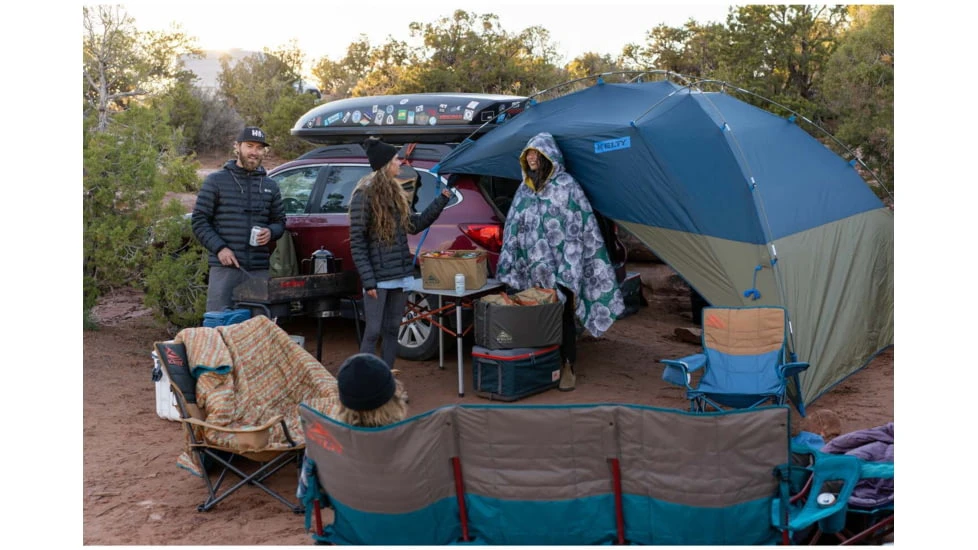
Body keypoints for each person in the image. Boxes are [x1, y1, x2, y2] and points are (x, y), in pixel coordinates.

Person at [496, 132, 625, 391]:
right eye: (528, 153)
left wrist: (571, 265)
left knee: (562, 316)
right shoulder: (524, 190)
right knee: (535, 317)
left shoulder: (567, 187)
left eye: (536, 153)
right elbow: (514, 227)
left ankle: (568, 365)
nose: (531, 157)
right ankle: (541, 366)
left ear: (548, 156)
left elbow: (581, 226)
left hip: (562, 268)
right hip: (530, 270)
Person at [348, 138, 453, 371]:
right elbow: (357, 241)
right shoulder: (363, 196)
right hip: (377, 276)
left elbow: (414, 225)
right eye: (396, 160)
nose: (400, 163)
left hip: (399, 272)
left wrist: (443, 199)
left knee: (393, 329)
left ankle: (386, 379)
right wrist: (368, 279)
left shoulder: (397, 193)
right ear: (386, 164)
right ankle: (363, 380)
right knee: (373, 331)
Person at [191, 126, 286, 312]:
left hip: (258, 269)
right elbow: (199, 221)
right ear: (237, 147)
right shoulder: (216, 181)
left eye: (259, 148)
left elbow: (280, 222)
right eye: (249, 146)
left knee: (257, 328)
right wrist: (220, 249)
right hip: (225, 268)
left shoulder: (271, 186)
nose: (254, 152)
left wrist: (271, 232)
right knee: (219, 325)